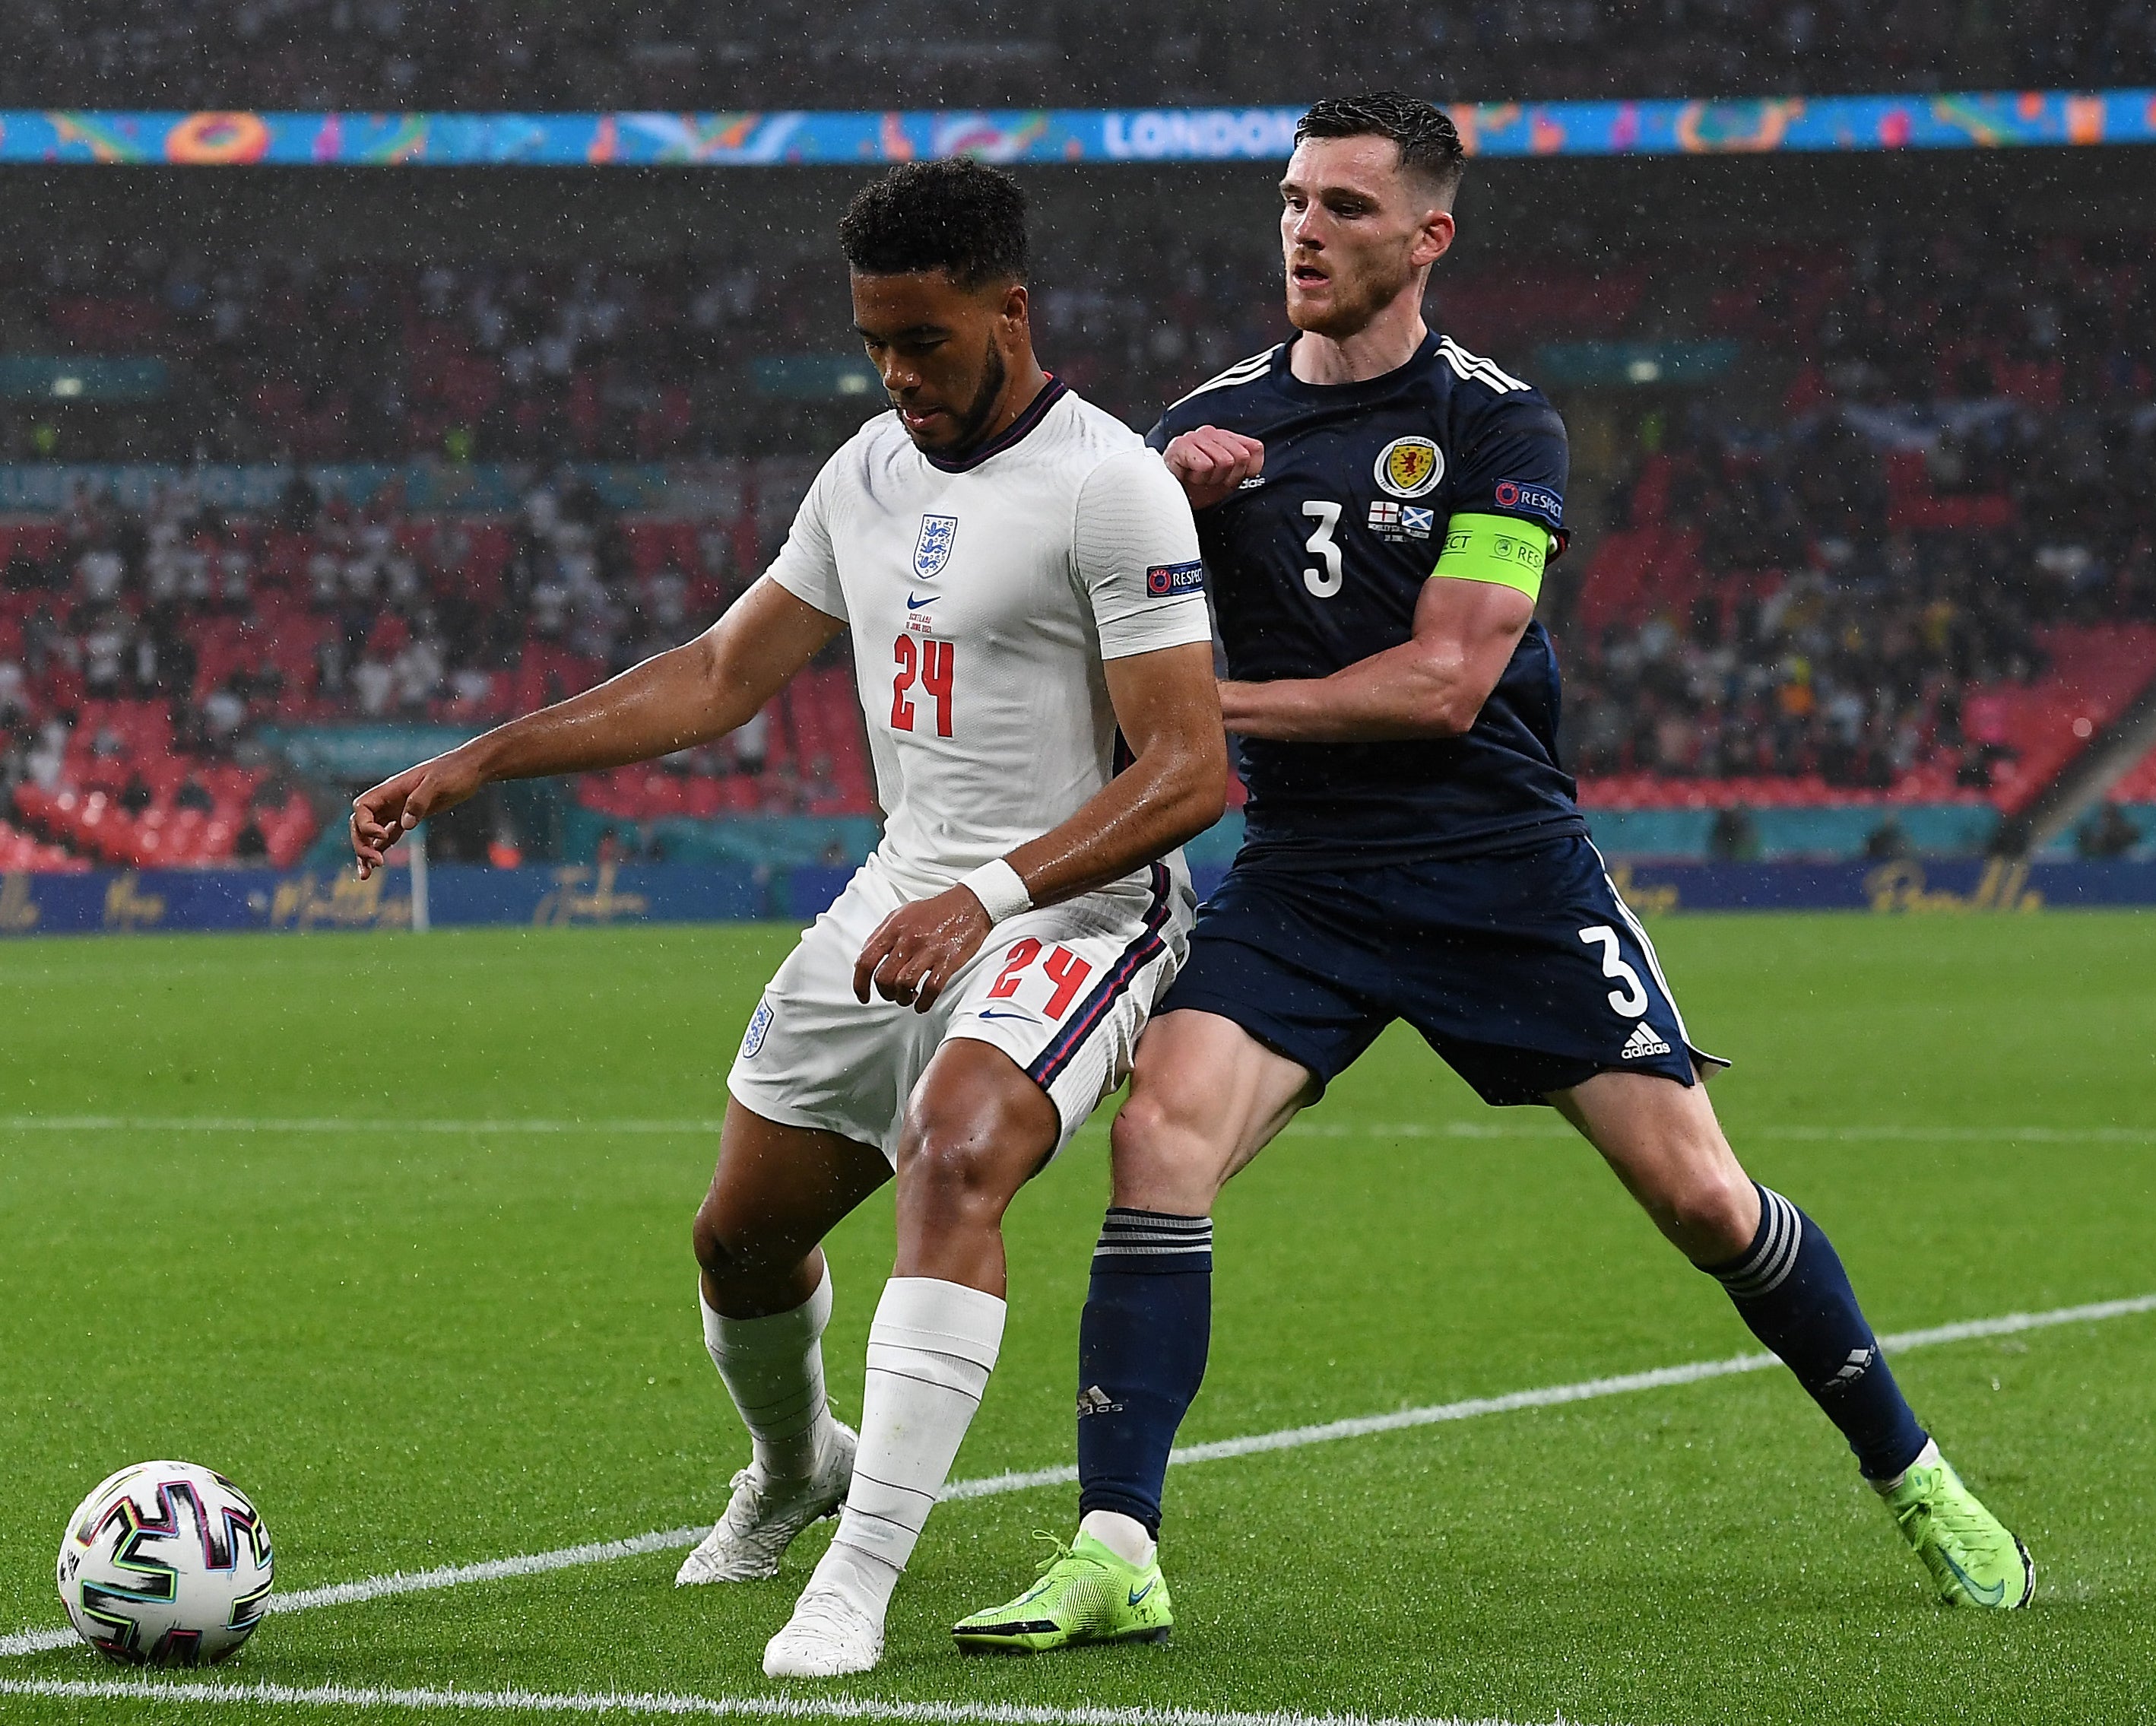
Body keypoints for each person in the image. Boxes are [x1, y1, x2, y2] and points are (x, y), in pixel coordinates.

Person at [956, 92, 2032, 1654]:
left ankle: (1914, 1470)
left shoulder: (1499, 425)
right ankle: (1119, 1541)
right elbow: (1059, 624)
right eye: (1291, 201)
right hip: (1310, 877)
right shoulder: (1203, 425)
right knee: (1162, 1143)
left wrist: (1197, 705)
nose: (1304, 231)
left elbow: (1443, 683)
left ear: (1427, 236)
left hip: (1501, 870)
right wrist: (1156, 523)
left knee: (1704, 1199)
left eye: (1342, 206)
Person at [348, 160, 1228, 1677]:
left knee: (954, 1156)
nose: (898, 375)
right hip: (904, 897)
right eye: (874, 343)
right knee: (741, 1240)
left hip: (1080, 910)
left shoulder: (1111, 483)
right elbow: (711, 678)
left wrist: (993, 894)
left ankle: (860, 1578)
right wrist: (480, 758)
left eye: (927, 341)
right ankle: (796, 1469)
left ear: (1009, 311)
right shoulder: (864, 472)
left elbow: (1193, 765)